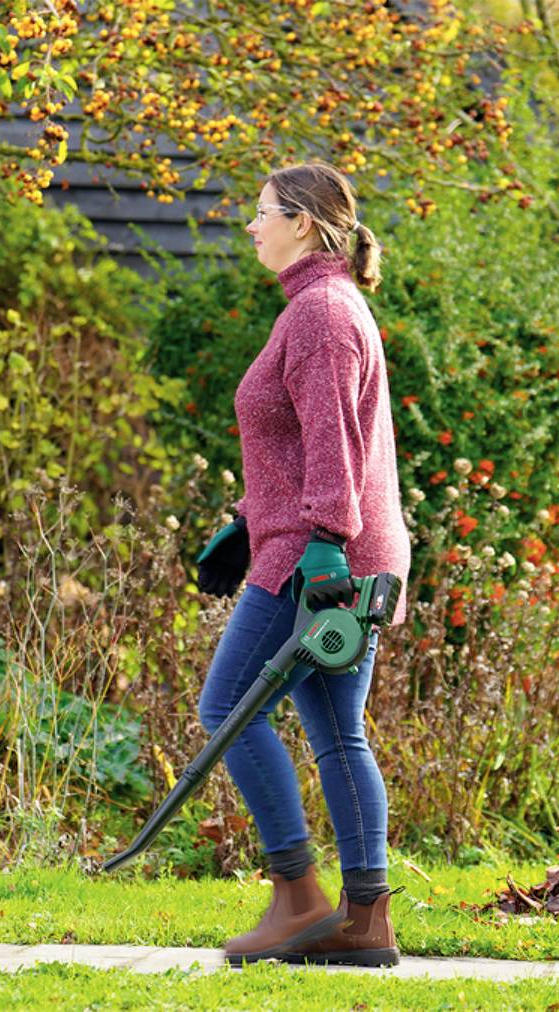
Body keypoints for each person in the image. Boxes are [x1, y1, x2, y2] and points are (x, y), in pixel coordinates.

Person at [192, 161, 412, 968]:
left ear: (304, 223)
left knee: (227, 709)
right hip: (324, 545)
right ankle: (365, 920)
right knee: (337, 734)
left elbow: (332, 442)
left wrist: (320, 537)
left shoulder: (320, 313)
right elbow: (306, 442)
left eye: (262, 212)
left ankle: (299, 898)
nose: (251, 226)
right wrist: (251, 519)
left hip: (319, 559)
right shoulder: (323, 306)